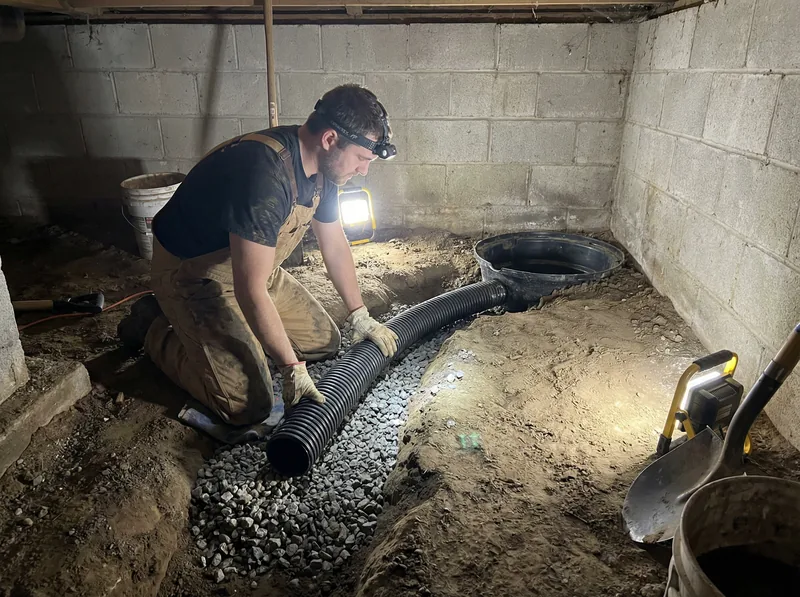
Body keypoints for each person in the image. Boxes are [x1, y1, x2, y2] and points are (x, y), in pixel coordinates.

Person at [118, 84, 400, 427]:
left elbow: (334, 242)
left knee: (324, 343)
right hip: (195, 277)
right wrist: (291, 369)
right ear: (329, 139)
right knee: (247, 406)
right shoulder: (265, 177)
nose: (364, 170)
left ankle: (243, 340)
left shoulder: (323, 170)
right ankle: (153, 324)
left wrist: (359, 314)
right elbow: (248, 289)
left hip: (256, 269)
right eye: (361, 159)